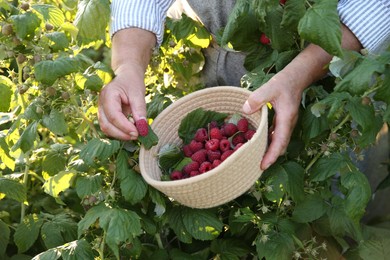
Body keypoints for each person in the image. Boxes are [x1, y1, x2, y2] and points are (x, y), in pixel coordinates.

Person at [98, 0, 390, 171]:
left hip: (333, 74)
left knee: (333, 179)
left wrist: (299, 74)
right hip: (216, 58)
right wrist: (129, 66)